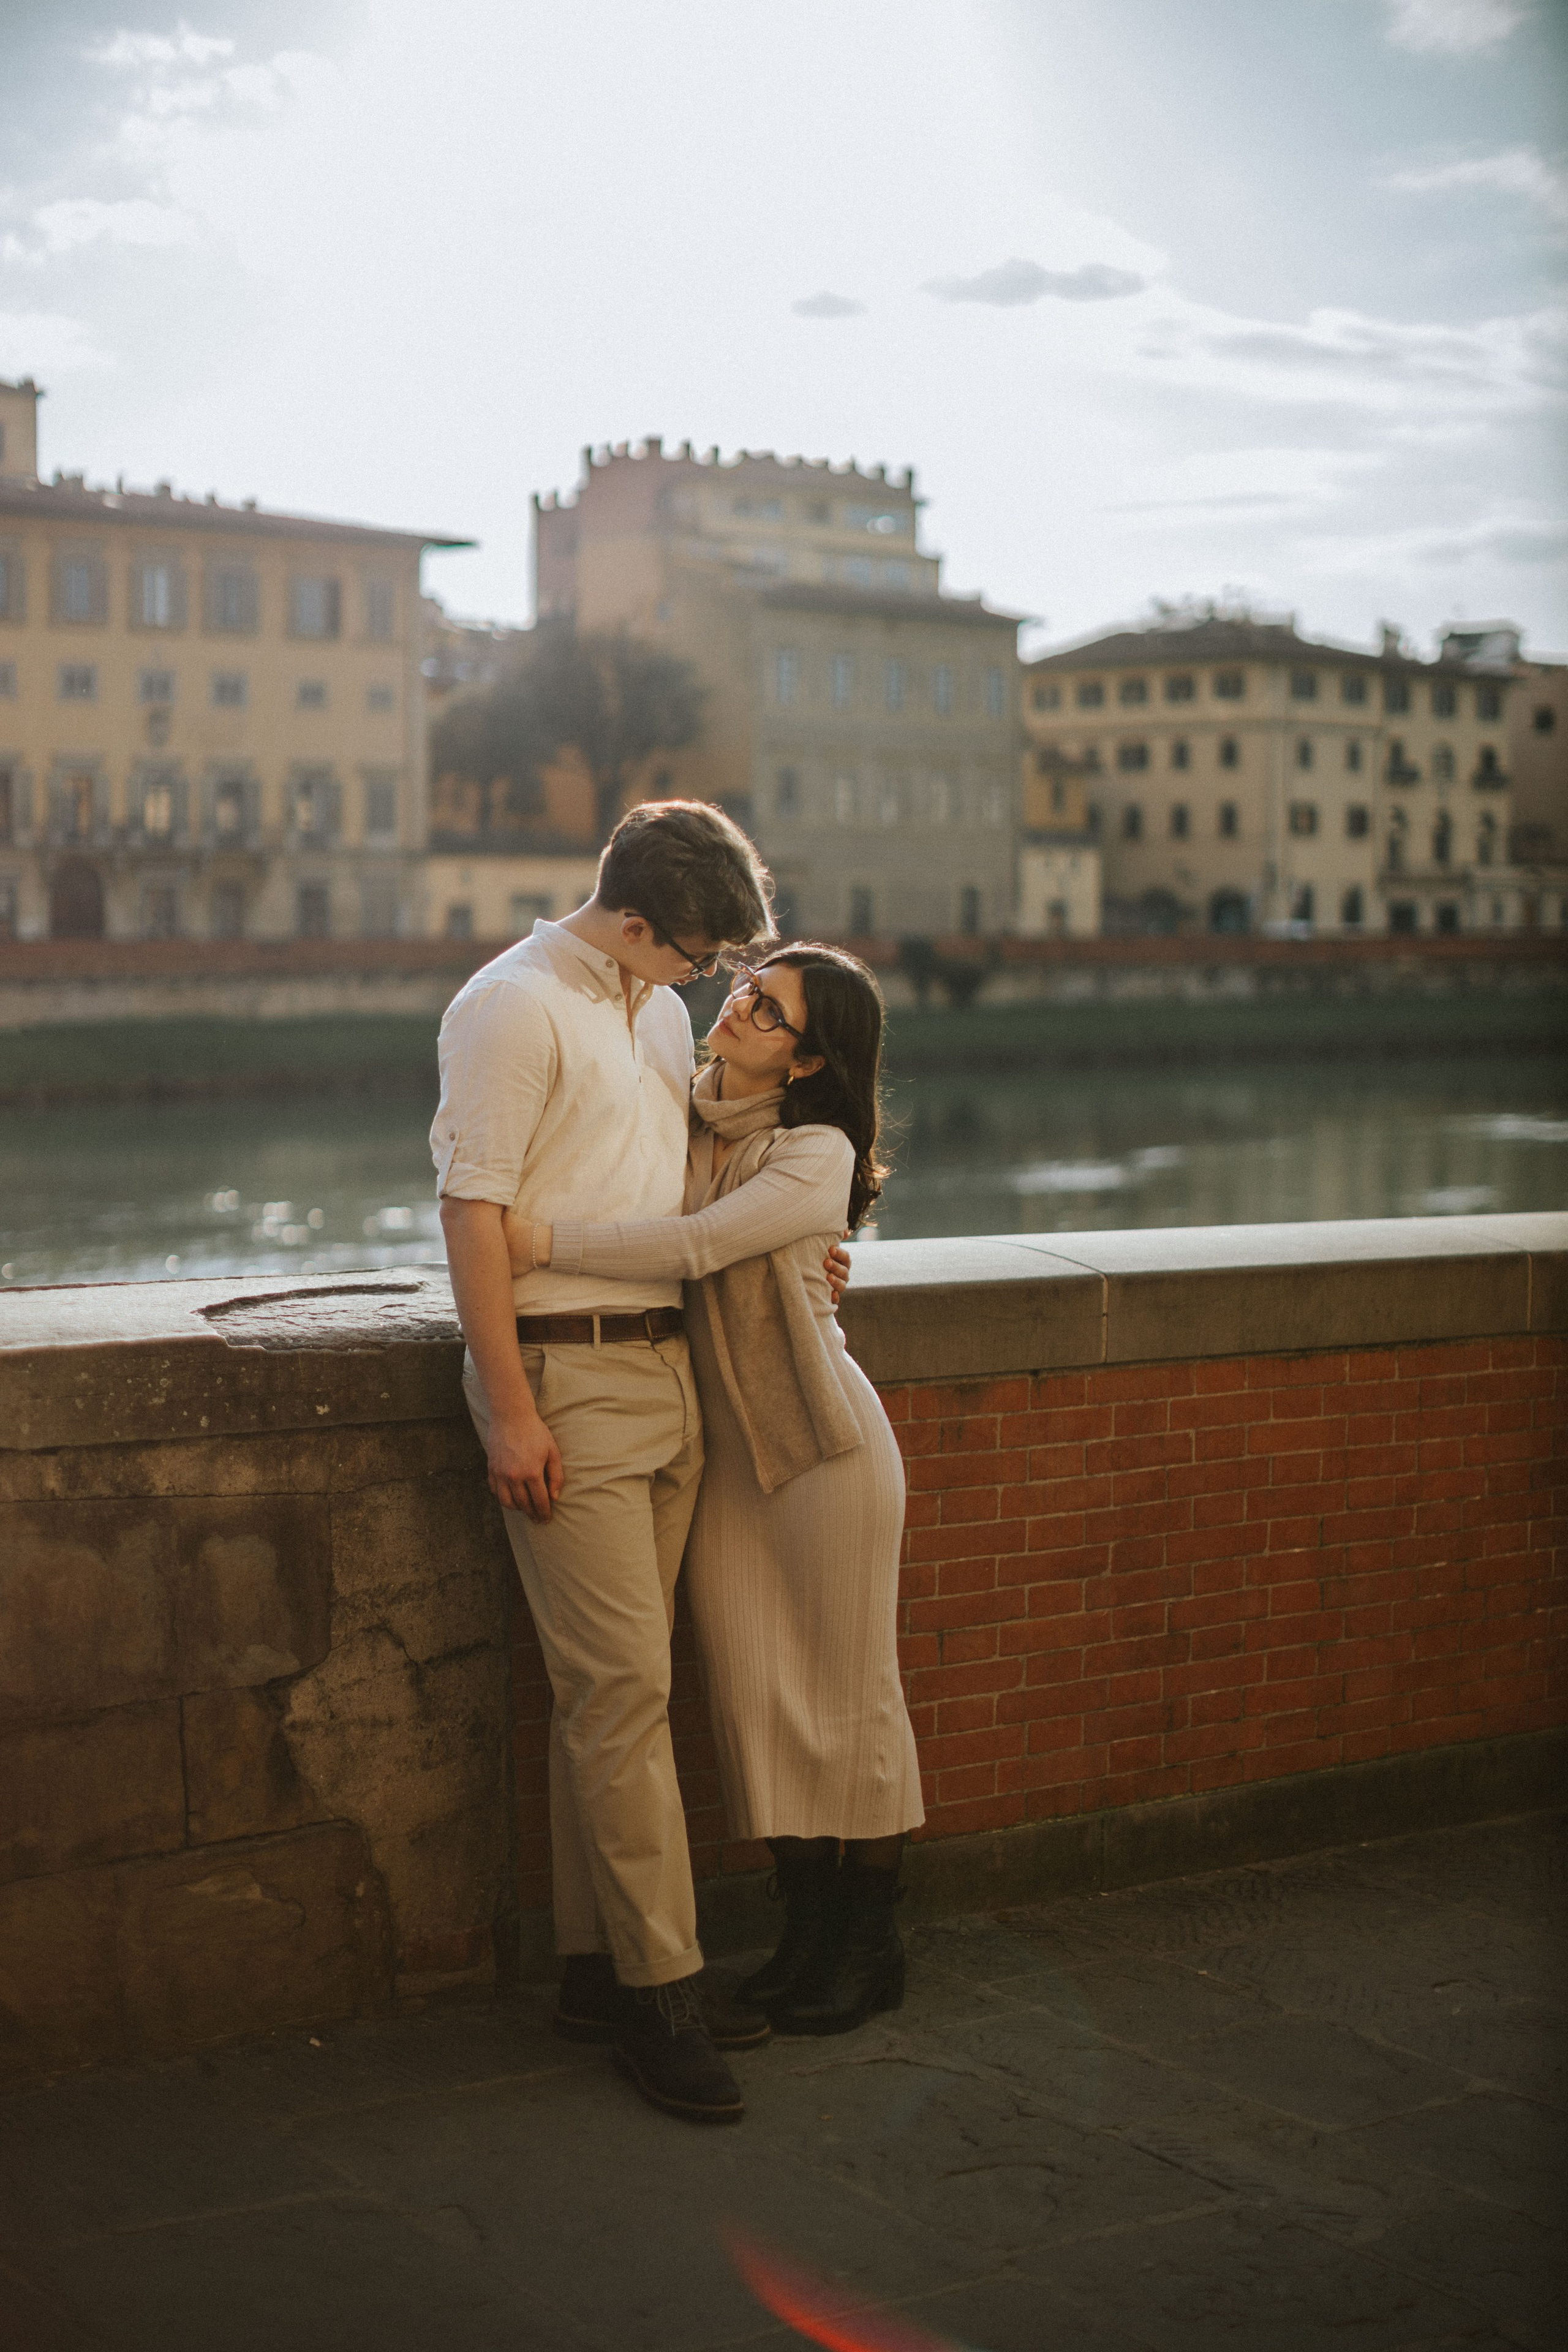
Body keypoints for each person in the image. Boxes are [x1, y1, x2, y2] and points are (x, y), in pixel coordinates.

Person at [505, 944, 925, 2041]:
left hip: (821, 1449)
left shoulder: (816, 1150)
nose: (738, 1007)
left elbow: (692, 1248)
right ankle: (804, 1936)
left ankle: (868, 1942)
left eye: (771, 1011)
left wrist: (539, 1241)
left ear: (811, 1058)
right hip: (728, 1460)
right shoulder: (687, 1121)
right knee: (757, 1698)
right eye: (745, 990)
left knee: (850, 1698)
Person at [434, 801, 779, 2128]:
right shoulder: (510, 1006)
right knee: (625, 1689)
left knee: (614, 1695)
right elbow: (472, 1212)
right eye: (695, 950)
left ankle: (595, 1970)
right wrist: (511, 1413)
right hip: (563, 1373)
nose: (708, 975)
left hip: (664, 1369)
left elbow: (675, 1182)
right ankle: (663, 1990)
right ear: (634, 922)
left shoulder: (649, 1007)